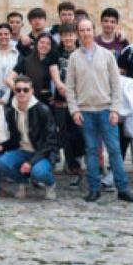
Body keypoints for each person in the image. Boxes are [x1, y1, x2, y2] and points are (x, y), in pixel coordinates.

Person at [68, 19, 133, 203]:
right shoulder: (74, 58)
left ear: (94, 31)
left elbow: (116, 84)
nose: (85, 33)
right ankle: (94, 189)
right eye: (82, 30)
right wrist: (74, 110)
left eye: (88, 29)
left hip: (106, 110)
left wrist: (115, 109)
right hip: (85, 112)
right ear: (78, 33)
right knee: (92, 151)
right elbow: (70, 87)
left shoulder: (107, 55)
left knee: (115, 151)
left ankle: (123, 189)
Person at [0, 75, 59, 199]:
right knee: (2, 163)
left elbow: (51, 142)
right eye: (18, 90)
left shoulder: (43, 110)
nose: (21, 93)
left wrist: (31, 163)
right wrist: (2, 146)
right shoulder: (12, 111)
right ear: (14, 91)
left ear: (32, 91)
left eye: (25, 90)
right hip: (23, 151)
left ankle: (50, 183)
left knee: (38, 172)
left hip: (42, 153)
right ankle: (23, 182)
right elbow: (15, 138)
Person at [49, 24, 84, 176]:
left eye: (70, 35)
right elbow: (54, 70)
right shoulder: (55, 53)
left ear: (76, 36)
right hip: (61, 99)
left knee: (78, 132)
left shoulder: (82, 52)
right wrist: (59, 84)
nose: (68, 38)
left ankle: (78, 159)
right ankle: (71, 163)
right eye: (65, 35)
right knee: (64, 133)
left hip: (79, 99)